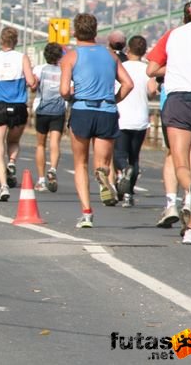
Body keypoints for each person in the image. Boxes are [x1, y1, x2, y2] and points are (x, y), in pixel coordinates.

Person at [60, 13, 133, 229]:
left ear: (75, 32)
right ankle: (105, 177)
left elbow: (64, 90)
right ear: (95, 31)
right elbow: (128, 84)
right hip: (107, 110)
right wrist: (113, 100)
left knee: (80, 163)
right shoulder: (110, 55)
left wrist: (71, 96)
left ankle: (86, 213)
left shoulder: (70, 57)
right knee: (101, 163)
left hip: (82, 109)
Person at [146, 0, 191, 245]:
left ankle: (190, 194)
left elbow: (151, 69)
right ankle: (190, 230)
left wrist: (175, 67)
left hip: (179, 102)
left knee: (181, 164)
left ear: (190, 10)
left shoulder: (174, 35)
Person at [0, 26, 36, 202]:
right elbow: (31, 82)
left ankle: (3, 186)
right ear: (15, 41)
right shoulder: (22, 58)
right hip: (18, 107)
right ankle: (11, 162)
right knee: (13, 141)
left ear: (1, 41)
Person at [113, 35, 157, 208]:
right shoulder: (147, 69)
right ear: (144, 51)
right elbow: (152, 91)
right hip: (141, 119)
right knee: (135, 157)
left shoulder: (121, 67)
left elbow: (115, 88)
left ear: (127, 49)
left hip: (122, 117)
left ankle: (123, 170)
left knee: (119, 154)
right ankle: (129, 195)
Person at [32, 43, 66, 193]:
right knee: (55, 143)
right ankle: (52, 168)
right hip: (59, 110)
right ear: (60, 56)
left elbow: (33, 86)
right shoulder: (65, 70)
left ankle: (41, 180)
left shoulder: (39, 69)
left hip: (41, 110)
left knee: (40, 144)